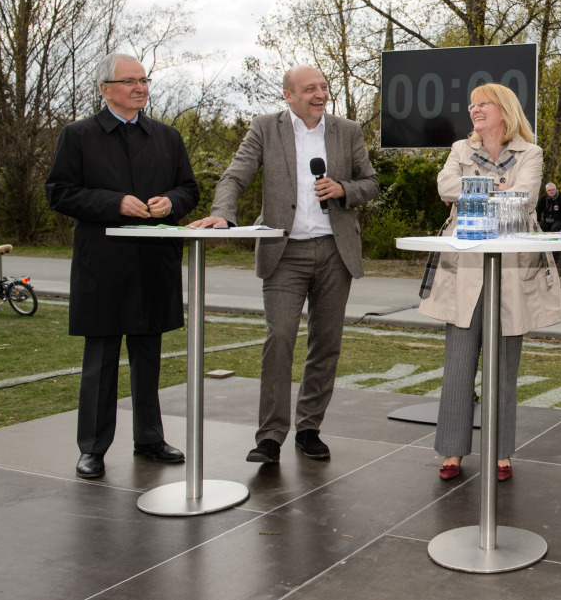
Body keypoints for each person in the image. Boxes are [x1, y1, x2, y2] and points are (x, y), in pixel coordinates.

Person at [188, 66, 379, 463]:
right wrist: (223, 214)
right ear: (288, 96)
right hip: (283, 251)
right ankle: (270, 437)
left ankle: (309, 429)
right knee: (279, 340)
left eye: (324, 87)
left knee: (326, 344)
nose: (320, 94)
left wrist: (344, 189)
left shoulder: (346, 130)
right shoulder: (264, 128)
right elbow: (234, 177)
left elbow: (371, 183)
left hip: (334, 252)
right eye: (310, 89)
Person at [45, 53, 200, 479]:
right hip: (105, 265)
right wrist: (112, 203)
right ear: (105, 89)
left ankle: (150, 438)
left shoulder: (167, 137)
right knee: (101, 359)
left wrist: (173, 202)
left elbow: (189, 188)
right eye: (129, 81)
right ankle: (92, 448)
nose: (140, 87)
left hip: (154, 263)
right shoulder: (78, 135)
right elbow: (59, 192)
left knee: (149, 356)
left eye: (144, 80)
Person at [419, 83, 561, 480]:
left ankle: (501, 452)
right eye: (471, 105)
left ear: (503, 108)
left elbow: (527, 198)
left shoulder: (530, 152)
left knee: (503, 366)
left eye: (482, 103)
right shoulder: (460, 149)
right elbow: (444, 188)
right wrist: (498, 189)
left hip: (511, 269)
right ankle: (452, 451)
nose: (473, 110)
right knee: (458, 363)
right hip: (465, 268)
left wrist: (476, 192)